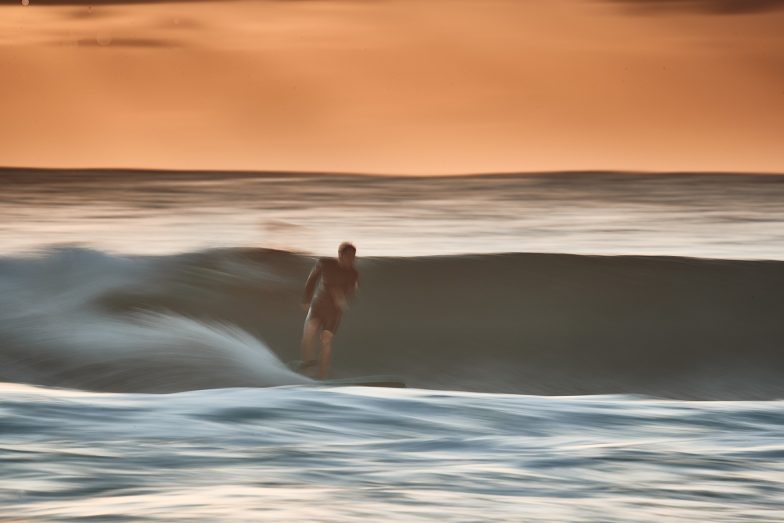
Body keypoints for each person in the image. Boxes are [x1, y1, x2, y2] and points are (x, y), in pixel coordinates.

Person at [300, 242, 359, 379]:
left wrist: (344, 297)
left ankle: (322, 377)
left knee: (326, 341)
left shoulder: (353, 273)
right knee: (309, 330)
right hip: (318, 305)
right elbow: (312, 279)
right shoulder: (325, 263)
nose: (351, 260)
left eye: (353, 257)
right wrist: (306, 298)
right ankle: (308, 364)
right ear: (340, 255)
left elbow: (351, 292)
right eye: (349, 256)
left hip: (334, 311)